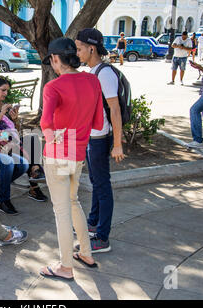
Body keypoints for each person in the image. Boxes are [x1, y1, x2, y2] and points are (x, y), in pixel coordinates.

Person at [39, 37, 103, 281]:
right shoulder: (92, 80)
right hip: (78, 154)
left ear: (56, 59)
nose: (52, 66)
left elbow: (46, 123)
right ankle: (86, 252)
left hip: (58, 155)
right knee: (73, 201)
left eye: (52, 62)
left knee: (62, 210)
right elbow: (97, 122)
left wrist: (52, 137)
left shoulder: (53, 87)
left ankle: (65, 266)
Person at [75, 28, 125, 254]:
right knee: (96, 183)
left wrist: (117, 144)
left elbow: (114, 110)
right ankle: (93, 224)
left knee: (103, 186)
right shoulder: (94, 71)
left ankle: (102, 238)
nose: (77, 53)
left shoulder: (104, 73)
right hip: (92, 138)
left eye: (79, 48)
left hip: (99, 139)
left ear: (91, 48)